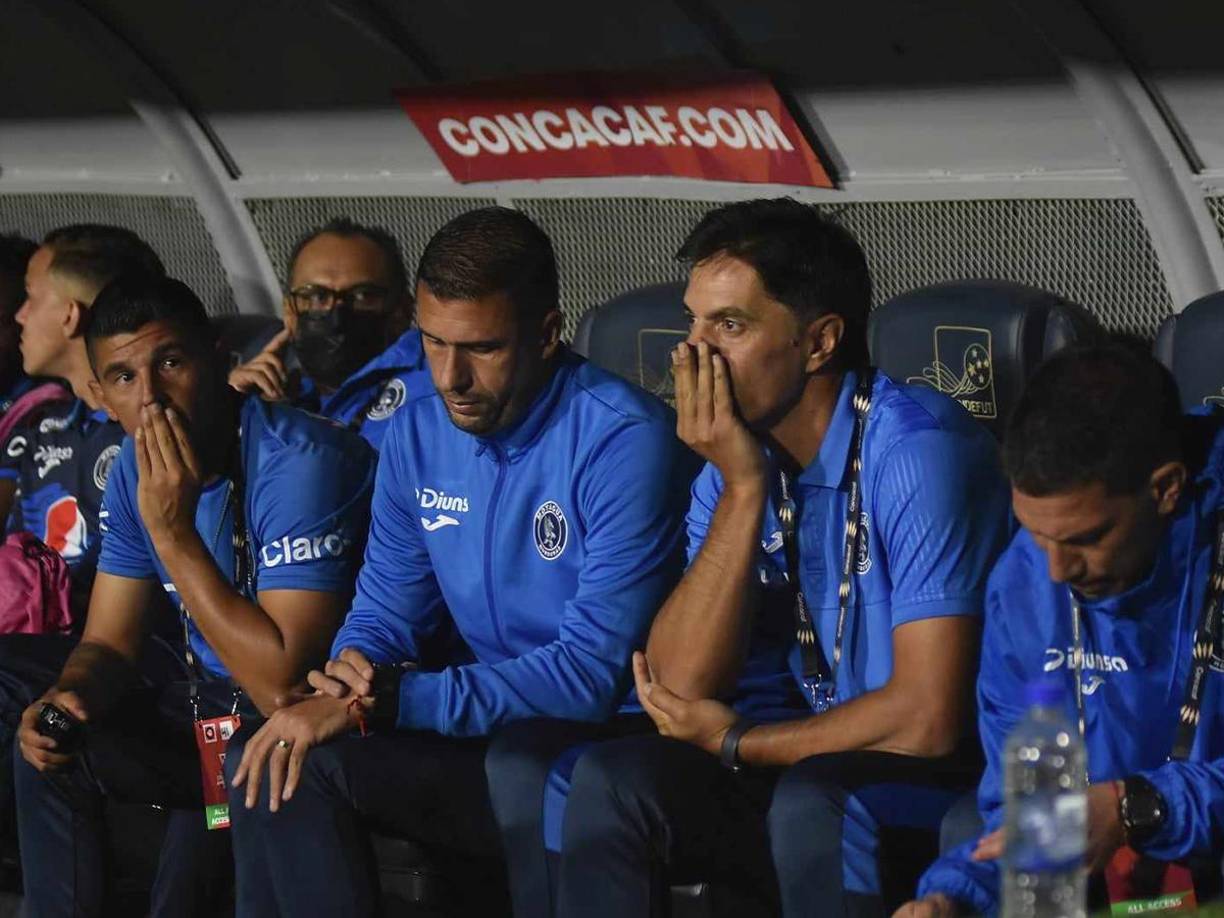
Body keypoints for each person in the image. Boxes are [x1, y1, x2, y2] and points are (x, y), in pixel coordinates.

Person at [226, 206, 695, 918]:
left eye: (481, 348)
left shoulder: (623, 439)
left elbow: (590, 676)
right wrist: (348, 679)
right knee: (266, 758)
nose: (450, 377)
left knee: (521, 763)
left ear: (546, 333)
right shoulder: (417, 432)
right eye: (433, 342)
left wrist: (396, 700)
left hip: (606, 736)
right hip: (485, 724)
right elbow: (386, 610)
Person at [553, 198, 1012, 918]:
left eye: (729, 326)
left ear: (819, 342)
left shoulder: (919, 453)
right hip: (816, 757)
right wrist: (742, 488)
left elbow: (929, 720)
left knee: (813, 798)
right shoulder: (737, 456)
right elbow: (677, 687)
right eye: (692, 322)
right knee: (611, 777)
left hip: (944, 775)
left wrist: (740, 742)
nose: (691, 354)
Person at [12, 273, 375, 918]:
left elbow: (283, 685)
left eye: (171, 363)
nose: (151, 397)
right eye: (125, 378)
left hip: (306, 718)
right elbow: (107, 644)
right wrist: (69, 695)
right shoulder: (133, 468)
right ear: (100, 396)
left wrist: (172, 533)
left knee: (190, 877)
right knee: (53, 747)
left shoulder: (300, 464)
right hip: (212, 714)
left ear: (217, 357)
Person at [899, 344, 1224, 917]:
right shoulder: (1022, 584)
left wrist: (1134, 808)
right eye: (1035, 534)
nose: (1057, 570)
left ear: (1166, 489)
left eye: (1084, 539)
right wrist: (953, 898)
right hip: (1129, 892)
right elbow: (1027, 814)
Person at [1, 225, 165, 610]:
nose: (20, 316)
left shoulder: (147, 431)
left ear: (71, 316)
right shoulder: (40, 426)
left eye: (31, 297)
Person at [227, 217, 428, 450]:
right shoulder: (285, 399)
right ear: (290, 313)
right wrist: (232, 412)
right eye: (316, 296)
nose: (336, 315)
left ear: (402, 310)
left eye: (362, 295)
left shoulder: (433, 385)